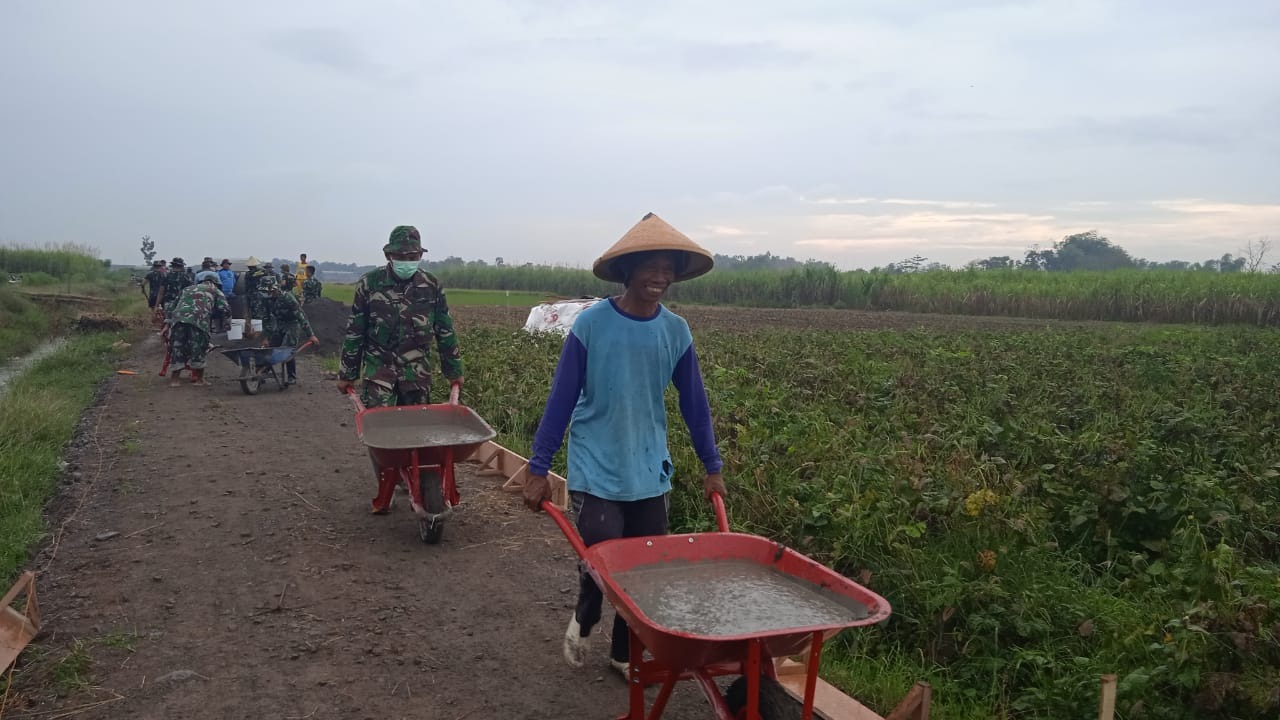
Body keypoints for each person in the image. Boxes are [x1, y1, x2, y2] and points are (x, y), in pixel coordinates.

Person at [521, 212, 726, 677]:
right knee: (604, 552)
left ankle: (622, 653)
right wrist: (538, 467)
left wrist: (712, 465)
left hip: (648, 466)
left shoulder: (675, 331)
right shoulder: (592, 325)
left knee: (646, 571)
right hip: (597, 462)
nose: (660, 277)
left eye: (668, 268)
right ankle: (588, 607)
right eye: (651, 266)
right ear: (628, 271)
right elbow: (561, 399)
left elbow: (695, 405)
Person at [336, 225, 464, 514]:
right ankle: (387, 482)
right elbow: (355, 332)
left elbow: (444, 331)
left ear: (420, 254)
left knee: (417, 431)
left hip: (416, 370)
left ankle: (414, 479)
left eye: (413, 254)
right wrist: (346, 373)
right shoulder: (369, 285)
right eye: (401, 254)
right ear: (389, 255)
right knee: (378, 431)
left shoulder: (431, 285)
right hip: (378, 369)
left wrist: (453, 369)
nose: (407, 259)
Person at [167, 270, 230, 386]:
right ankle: (199, 380)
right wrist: (227, 324)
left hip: (178, 319)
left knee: (178, 347)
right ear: (215, 283)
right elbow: (224, 309)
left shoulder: (187, 288)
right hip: (199, 321)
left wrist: (168, 323)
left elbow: (171, 306)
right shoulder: (215, 290)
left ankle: (175, 380)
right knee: (199, 347)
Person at [257, 273, 317, 384]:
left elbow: (301, 316)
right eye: (266, 292)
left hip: (292, 324)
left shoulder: (287, 297)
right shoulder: (266, 300)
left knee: (287, 348)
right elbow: (266, 319)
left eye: (271, 292)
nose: (269, 294)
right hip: (279, 324)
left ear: (275, 288)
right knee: (270, 349)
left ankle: (291, 376)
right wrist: (266, 337)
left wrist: (311, 335)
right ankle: (262, 372)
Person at [244, 256, 267, 330]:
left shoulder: (248, 273)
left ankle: (257, 328)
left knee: (255, 311)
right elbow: (264, 272)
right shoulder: (259, 272)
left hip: (254, 294)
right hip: (256, 294)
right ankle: (257, 328)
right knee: (257, 311)